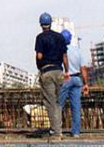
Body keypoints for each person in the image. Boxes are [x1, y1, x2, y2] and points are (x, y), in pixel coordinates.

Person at [34, 12, 68, 140]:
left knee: (50, 103)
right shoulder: (60, 37)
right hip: (59, 71)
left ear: (41, 24)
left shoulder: (40, 38)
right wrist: (67, 71)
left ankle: (56, 132)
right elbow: (65, 57)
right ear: (50, 23)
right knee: (58, 102)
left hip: (47, 71)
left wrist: (39, 66)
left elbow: (39, 56)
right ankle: (58, 129)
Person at [57, 29, 89, 137]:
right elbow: (83, 69)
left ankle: (57, 130)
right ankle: (76, 132)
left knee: (59, 106)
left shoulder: (60, 50)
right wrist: (85, 84)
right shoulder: (77, 50)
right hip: (77, 79)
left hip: (66, 79)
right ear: (71, 39)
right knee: (76, 107)